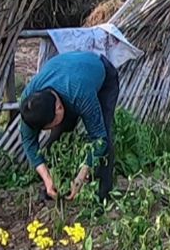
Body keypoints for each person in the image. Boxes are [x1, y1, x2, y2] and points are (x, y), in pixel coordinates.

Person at [19, 51, 119, 202]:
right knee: (58, 136)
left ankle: (102, 196)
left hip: (101, 75)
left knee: (104, 138)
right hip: (68, 72)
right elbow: (29, 142)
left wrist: (81, 176)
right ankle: (56, 185)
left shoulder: (81, 95)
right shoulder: (30, 104)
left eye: (51, 124)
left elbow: (100, 139)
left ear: (59, 108)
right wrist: (46, 178)